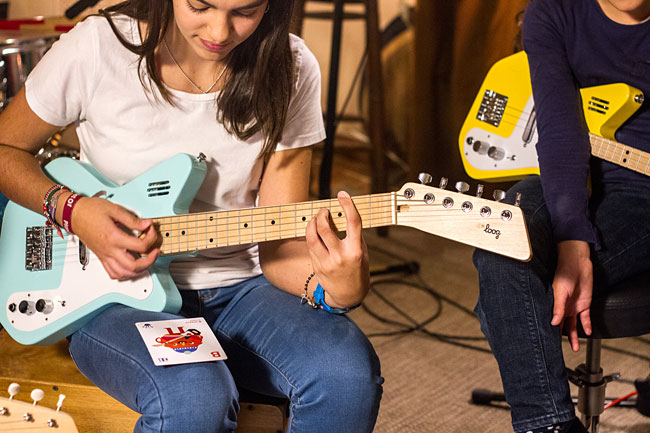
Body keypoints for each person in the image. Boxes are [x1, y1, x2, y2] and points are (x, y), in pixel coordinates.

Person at [0, 1, 383, 432]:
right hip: (114, 296)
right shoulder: (96, 47)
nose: (220, 30)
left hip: (242, 289)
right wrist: (73, 210)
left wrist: (335, 290)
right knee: (195, 393)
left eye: (247, 10)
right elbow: (5, 149)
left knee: (347, 377)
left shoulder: (290, 65)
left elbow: (278, 244)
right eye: (201, 5)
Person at [472, 0, 650, 432]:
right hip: (569, 175)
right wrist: (573, 239)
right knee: (501, 237)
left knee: (511, 281)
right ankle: (548, 424)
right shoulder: (552, 12)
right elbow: (560, 130)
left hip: (643, 193)